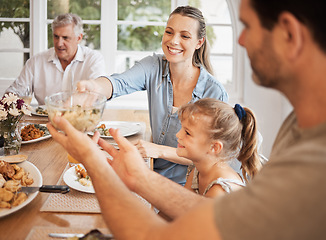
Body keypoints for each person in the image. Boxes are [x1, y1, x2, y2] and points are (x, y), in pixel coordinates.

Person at [48, 0, 326, 239]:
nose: (241, 40)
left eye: (248, 27)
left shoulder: (309, 164)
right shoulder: (297, 124)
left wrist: (94, 161)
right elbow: (209, 215)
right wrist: (96, 87)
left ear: (289, 32)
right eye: (169, 32)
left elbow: (156, 234)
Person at [77, 6, 228, 185]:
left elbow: (208, 157)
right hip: (149, 170)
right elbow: (119, 83)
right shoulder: (153, 66)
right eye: (169, 32)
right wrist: (93, 86)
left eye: (185, 36)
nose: (173, 41)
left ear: (199, 42)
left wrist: (157, 150)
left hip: (187, 185)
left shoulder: (214, 92)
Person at [5, 13, 106, 105]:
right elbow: (13, 93)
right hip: (44, 122)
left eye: (65, 38)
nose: (59, 43)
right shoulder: (36, 61)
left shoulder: (93, 59)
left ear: (79, 38)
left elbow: (97, 93)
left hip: (81, 121)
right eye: (56, 36)